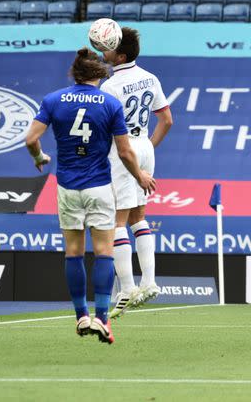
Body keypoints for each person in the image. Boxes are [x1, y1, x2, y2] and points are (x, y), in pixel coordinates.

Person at [24, 47, 156, 344]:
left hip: (67, 187)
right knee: (104, 252)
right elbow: (124, 151)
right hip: (99, 186)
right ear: (99, 73)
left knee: (73, 252)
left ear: (75, 73)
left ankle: (81, 315)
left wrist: (39, 157)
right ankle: (103, 320)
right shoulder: (110, 104)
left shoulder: (54, 99)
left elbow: (31, 138)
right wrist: (140, 176)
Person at [100, 27, 173, 319]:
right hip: (144, 145)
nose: (103, 52)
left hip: (122, 148)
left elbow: (105, 128)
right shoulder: (150, 77)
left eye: (108, 48)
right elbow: (166, 120)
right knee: (139, 216)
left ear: (121, 55)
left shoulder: (111, 85)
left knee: (117, 219)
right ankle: (150, 282)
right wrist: (148, 148)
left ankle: (128, 288)